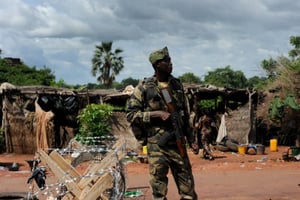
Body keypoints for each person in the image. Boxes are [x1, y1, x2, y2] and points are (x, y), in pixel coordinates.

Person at [126, 46, 198, 200]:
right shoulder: (144, 88)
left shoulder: (177, 85)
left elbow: (184, 115)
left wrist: (191, 139)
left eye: (170, 60)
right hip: (157, 145)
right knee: (159, 191)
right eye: (167, 61)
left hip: (178, 143)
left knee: (188, 190)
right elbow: (131, 115)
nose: (171, 64)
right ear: (157, 65)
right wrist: (155, 114)